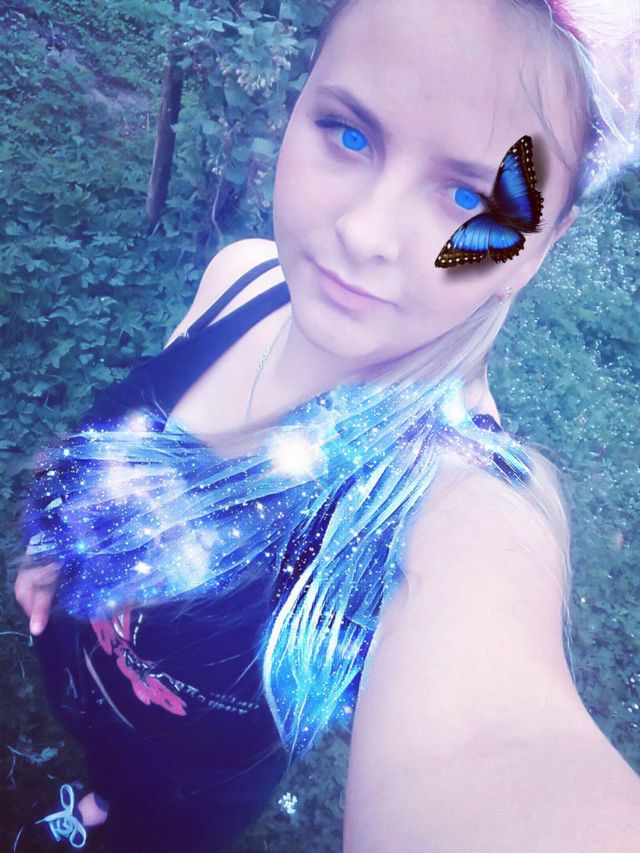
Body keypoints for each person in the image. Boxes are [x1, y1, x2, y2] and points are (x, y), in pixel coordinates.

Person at [14, 0, 640, 850]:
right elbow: (128, 453)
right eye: (349, 133)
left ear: (539, 246)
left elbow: (492, 750)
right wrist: (62, 541)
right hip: (73, 668)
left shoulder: (459, 500)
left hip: (183, 794)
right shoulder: (241, 280)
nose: (364, 230)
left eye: (469, 195)